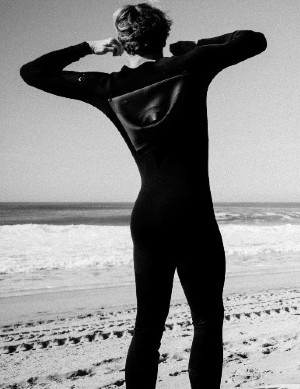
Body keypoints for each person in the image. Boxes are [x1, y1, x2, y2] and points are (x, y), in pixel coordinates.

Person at [20, 3, 266, 388]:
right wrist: (192, 46)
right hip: (191, 213)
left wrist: (88, 46)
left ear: (123, 40)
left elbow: (32, 72)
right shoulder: (192, 64)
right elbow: (253, 40)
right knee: (206, 320)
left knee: (147, 328)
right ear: (162, 36)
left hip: (148, 218)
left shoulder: (107, 88)